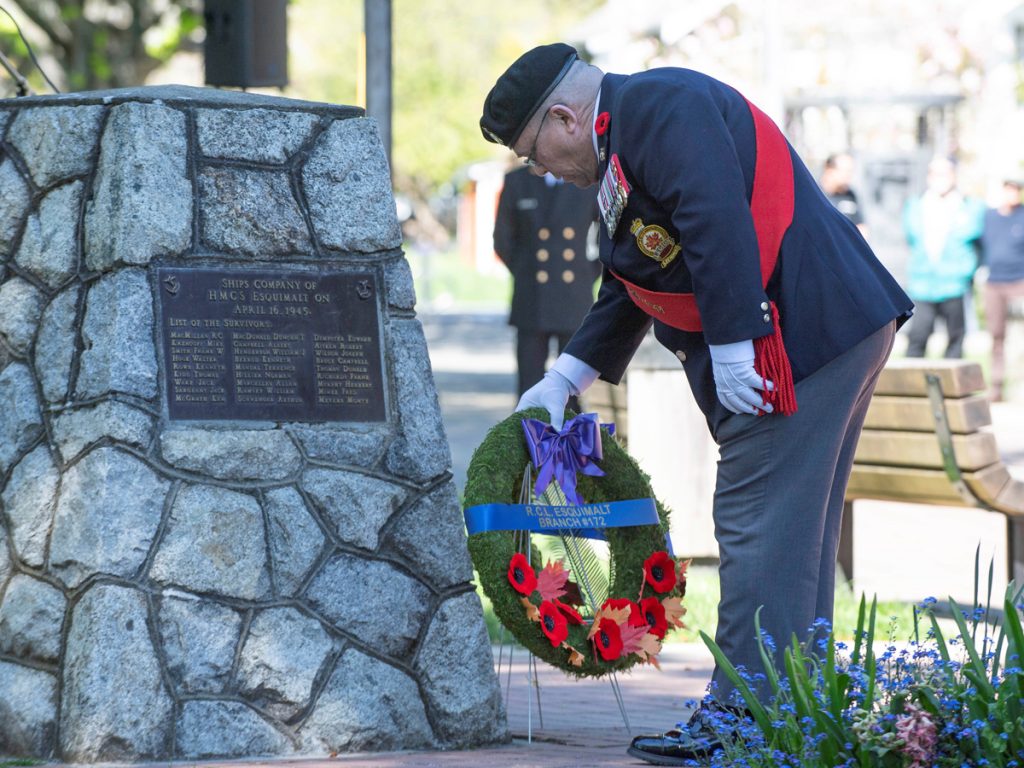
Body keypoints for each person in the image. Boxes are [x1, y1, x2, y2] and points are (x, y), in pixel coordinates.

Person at [480, 43, 913, 766]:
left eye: (534, 153)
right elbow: (633, 278)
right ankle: (793, 713)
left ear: (561, 117)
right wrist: (565, 378)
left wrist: (739, 342)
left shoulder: (659, 108)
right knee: (792, 538)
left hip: (799, 336)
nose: (541, 170)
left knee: (757, 524)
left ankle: (741, 721)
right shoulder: (629, 139)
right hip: (828, 325)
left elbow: (714, 217)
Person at [493, 166, 601, 407]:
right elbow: (502, 239)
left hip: (574, 297)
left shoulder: (587, 180)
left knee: (572, 386)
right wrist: (525, 271)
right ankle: (528, 441)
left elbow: (608, 230)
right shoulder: (517, 181)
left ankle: (571, 442)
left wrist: (589, 271)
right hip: (532, 297)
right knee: (529, 384)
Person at [902, 156, 985, 359]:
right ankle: (910, 389)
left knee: (956, 339)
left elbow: (978, 243)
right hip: (923, 284)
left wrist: (966, 271)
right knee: (917, 337)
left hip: (954, 284)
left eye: (944, 173)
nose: (939, 178)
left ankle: (949, 390)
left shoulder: (969, 206)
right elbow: (912, 239)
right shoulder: (916, 205)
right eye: (935, 173)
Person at [981, 178, 1024, 401]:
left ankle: (1019, 385)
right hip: (994, 282)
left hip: (1019, 282)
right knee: (997, 336)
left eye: (1016, 190)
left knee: (1019, 337)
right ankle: (997, 386)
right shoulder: (989, 217)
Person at [820, 151, 868, 237]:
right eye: (845, 171)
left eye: (851, 171)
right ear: (829, 170)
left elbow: (861, 227)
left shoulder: (850, 195)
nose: (849, 175)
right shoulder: (817, 195)